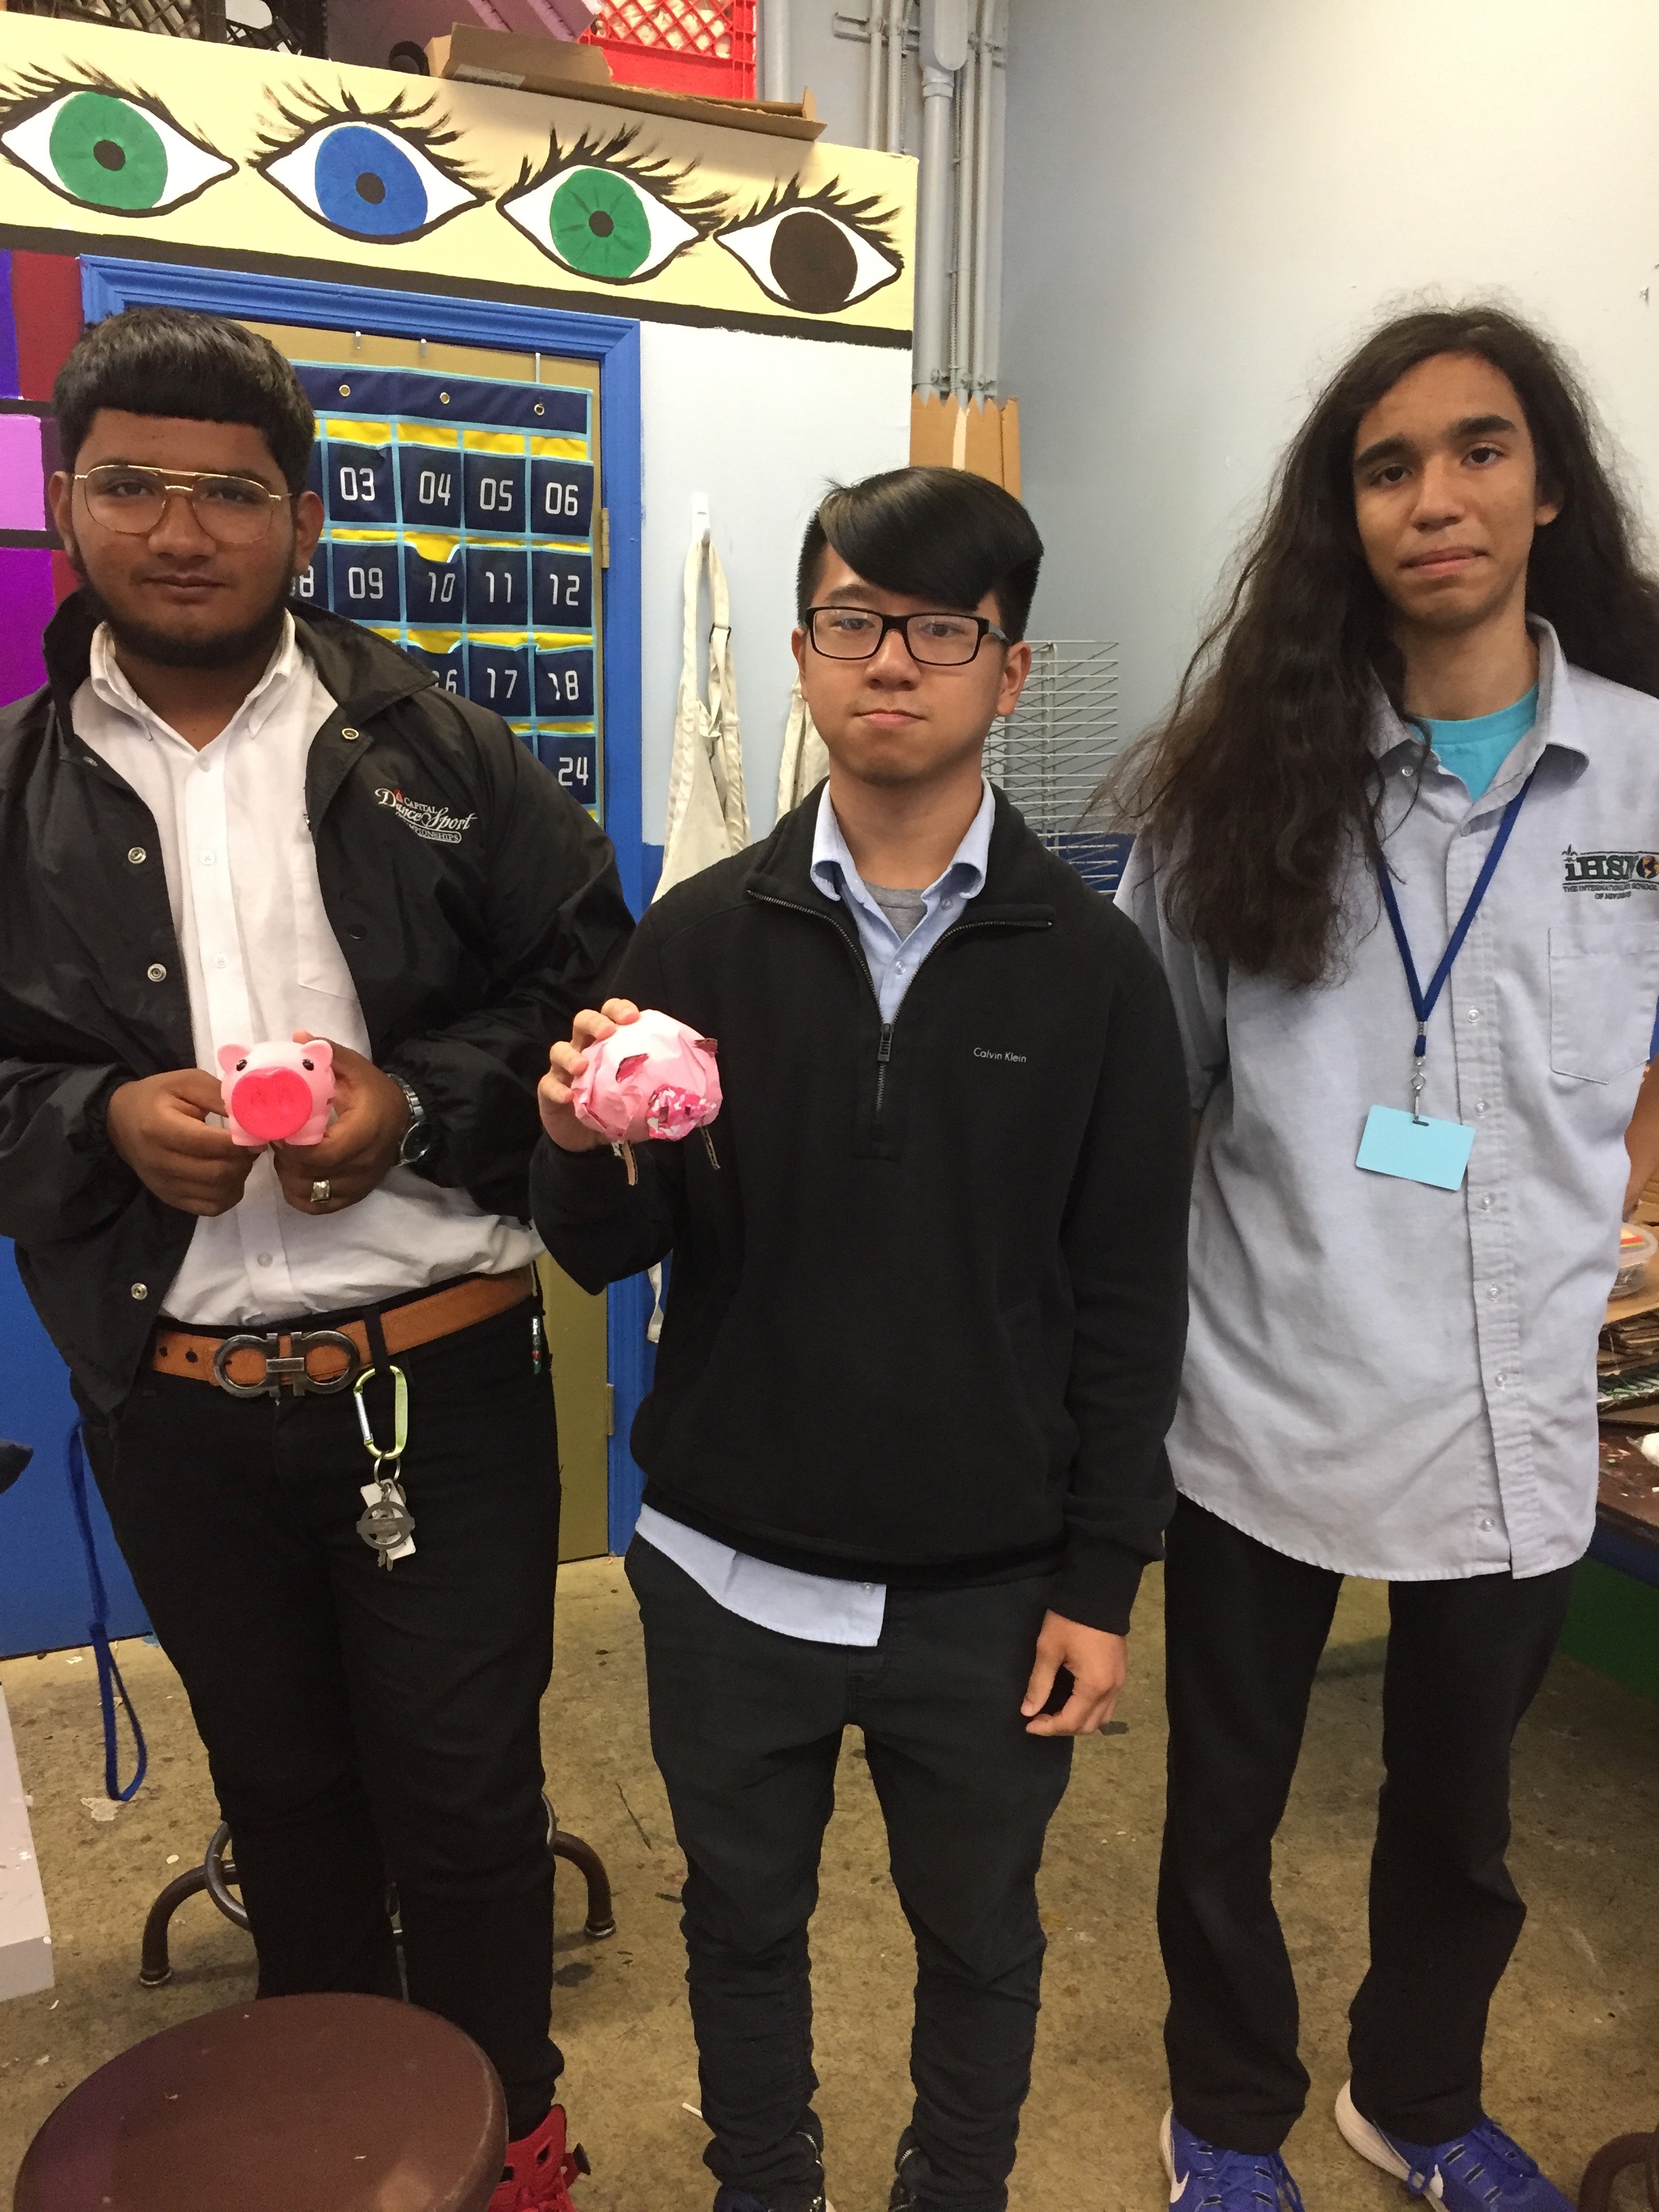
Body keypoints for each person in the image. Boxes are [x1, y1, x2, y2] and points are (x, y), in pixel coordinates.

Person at [0, 306, 632, 2212]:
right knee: (285, 1805)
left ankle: (511, 2149)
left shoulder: (444, 746)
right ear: (64, 498)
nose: (180, 529)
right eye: (131, 483)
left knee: (467, 1804)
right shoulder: (15, 787)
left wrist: (416, 1108)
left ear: (303, 516)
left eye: (231, 491)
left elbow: (593, 990)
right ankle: (332, 2153)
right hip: (180, 1400)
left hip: (439, 1377)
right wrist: (100, 1121)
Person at [532, 466, 1192, 2212]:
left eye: (941, 629)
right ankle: (768, 2181)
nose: (890, 660)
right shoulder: (697, 935)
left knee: (981, 1936)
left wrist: (1101, 1581)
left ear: (1010, 669)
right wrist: (578, 1142)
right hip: (726, 1574)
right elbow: (606, 1252)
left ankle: (952, 2187)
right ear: (806, 652)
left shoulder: (1095, 972)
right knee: (742, 1924)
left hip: (988, 1594)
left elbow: (1133, 1302)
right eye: (852, 621)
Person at [1113, 304, 1659, 2210]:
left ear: (1549, 486)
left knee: (1464, 1819)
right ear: (1342, 517)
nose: (1438, 496)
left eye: (1480, 449)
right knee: (1225, 1809)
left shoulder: (1647, 782)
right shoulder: (1235, 790)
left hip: (1518, 1403)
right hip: (1270, 1385)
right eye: (1388, 465)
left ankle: (1415, 2101)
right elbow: (1152, 1099)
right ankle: (1224, 2118)